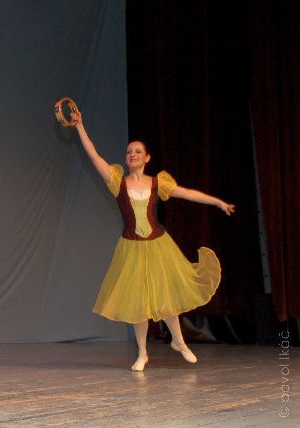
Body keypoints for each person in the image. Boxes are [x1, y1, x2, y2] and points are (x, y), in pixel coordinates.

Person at [72, 111, 235, 371]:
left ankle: (179, 341)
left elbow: (188, 193)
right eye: (129, 152)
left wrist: (218, 202)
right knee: (139, 303)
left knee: (165, 296)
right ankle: (142, 353)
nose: (132, 155)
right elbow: (93, 155)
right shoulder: (117, 182)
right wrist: (80, 126)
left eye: (138, 151)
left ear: (147, 158)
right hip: (132, 247)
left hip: (159, 245)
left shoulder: (158, 183)